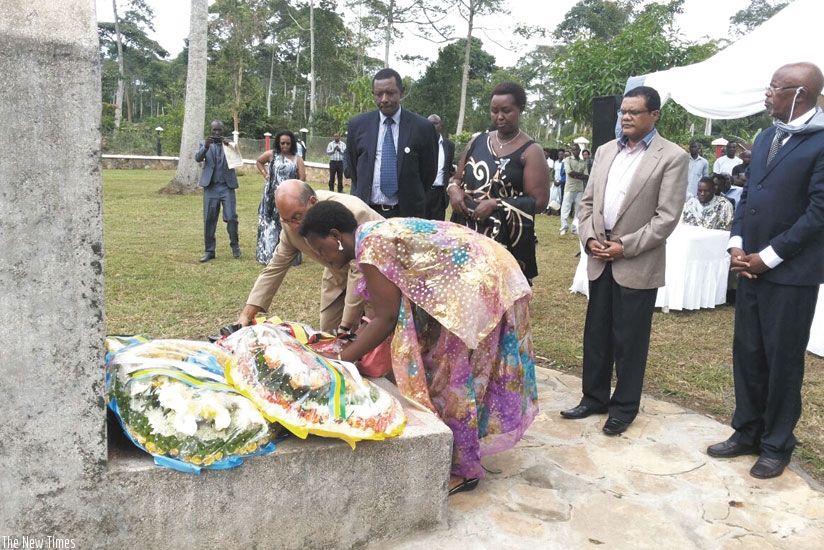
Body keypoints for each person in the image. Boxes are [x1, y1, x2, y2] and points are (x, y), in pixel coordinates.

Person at [297, 201, 538, 496]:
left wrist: (338, 361)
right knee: (442, 365)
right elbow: (385, 311)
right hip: (482, 274)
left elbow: (385, 318)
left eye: (320, 249)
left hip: (483, 279)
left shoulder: (371, 246)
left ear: (335, 235)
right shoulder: (370, 237)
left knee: (451, 376)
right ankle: (460, 451)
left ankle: (463, 471)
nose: (321, 257)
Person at [707, 62, 824, 479]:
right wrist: (738, 244)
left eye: (776, 88)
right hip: (750, 264)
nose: (767, 94)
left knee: (783, 361)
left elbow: (818, 213)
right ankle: (747, 431)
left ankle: (777, 444)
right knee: (749, 353)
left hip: (790, 273)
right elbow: (748, 196)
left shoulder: (822, 140)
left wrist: (768, 256)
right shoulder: (766, 135)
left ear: (800, 95)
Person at [561, 86, 688, 435]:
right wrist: (588, 237)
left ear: (654, 116)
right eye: (623, 112)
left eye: (634, 112)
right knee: (596, 334)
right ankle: (593, 398)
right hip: (599, 257)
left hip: (636, 262)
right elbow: (587, 204)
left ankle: (624, 407)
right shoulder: (604, 151)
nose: (626, 117)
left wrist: (624, 246)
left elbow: (666, 218)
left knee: (629, 341)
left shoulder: (672, 157)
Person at [236, 179, 383, 334]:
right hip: (336, 274)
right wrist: (246, 315)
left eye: (296, 217)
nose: (293, 226)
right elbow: (275, 268)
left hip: (376, 273)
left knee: (373, 332)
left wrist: (345, 327)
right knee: (328, 332)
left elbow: (359, 269)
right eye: (286, 220)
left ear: (312, 202)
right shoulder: (289, 225)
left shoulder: (353, 212)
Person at [447, 82, 549, 281]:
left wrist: (495, 204)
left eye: (506, 111)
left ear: (520, 110)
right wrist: (453, 190)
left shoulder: (531, 151)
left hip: (504, 240)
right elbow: (456, 178)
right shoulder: (477, 142)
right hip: (467, 233)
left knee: (497, 299)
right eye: (494, 111)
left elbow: (538, 202)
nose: (499, 117)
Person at [346, 68, 439, 218]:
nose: (384, 99)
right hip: (367, 213)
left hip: (406, 215)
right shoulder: (358, 125)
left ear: (401, 92)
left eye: (390, 93)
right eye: (378, 94)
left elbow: (428, 173)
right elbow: (353, 167)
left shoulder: (422, 128)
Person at [254, 130, 306, 265]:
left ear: (292, 144)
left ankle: (290, 257)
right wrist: (266, 175)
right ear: (278, 143)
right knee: (269, 224)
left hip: (288, 196)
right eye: (282, 143)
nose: (285, 146)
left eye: (288, 143)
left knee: (288, 224)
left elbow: (302, 178)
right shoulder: (272, 154)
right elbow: (259, 161)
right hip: (271, 196)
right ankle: (268, 255)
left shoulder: (297, 159)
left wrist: (296, 190)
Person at [195, 120, 240, 263]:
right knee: (209, 219)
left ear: (223, 131)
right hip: (211, 187)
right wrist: (206, 147)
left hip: (227, 187)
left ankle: (235, 245)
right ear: (210, 131)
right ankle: (209, 251)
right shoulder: (204, 144)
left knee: (231, 217)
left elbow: (238, 160)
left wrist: (230, 145)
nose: (216, 133)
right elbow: (198, 158)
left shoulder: (230, 144)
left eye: (219, 130)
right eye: (214, 130)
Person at [425, 114, 455, 221]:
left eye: (435, 123)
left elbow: (449, 168)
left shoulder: (449, 146)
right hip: (424, 192)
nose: (432, 126)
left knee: (438, 228)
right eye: (429, 124)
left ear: (440, 125)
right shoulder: (420, 143)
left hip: (440, 194)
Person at [559, 143, 588, 236]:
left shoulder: (583, 162)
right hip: (569, 188)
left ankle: (575, 229)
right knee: (566, 208)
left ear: (579, 150)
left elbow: (586, 176)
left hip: (579, 188)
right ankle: (563, 228)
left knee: (578, 210)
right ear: (572, 151)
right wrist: (579, 175)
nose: (575, 151)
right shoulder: (568, 160)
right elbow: (569, 172)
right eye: (574, 150)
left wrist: (576, 175)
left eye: (577, 149)